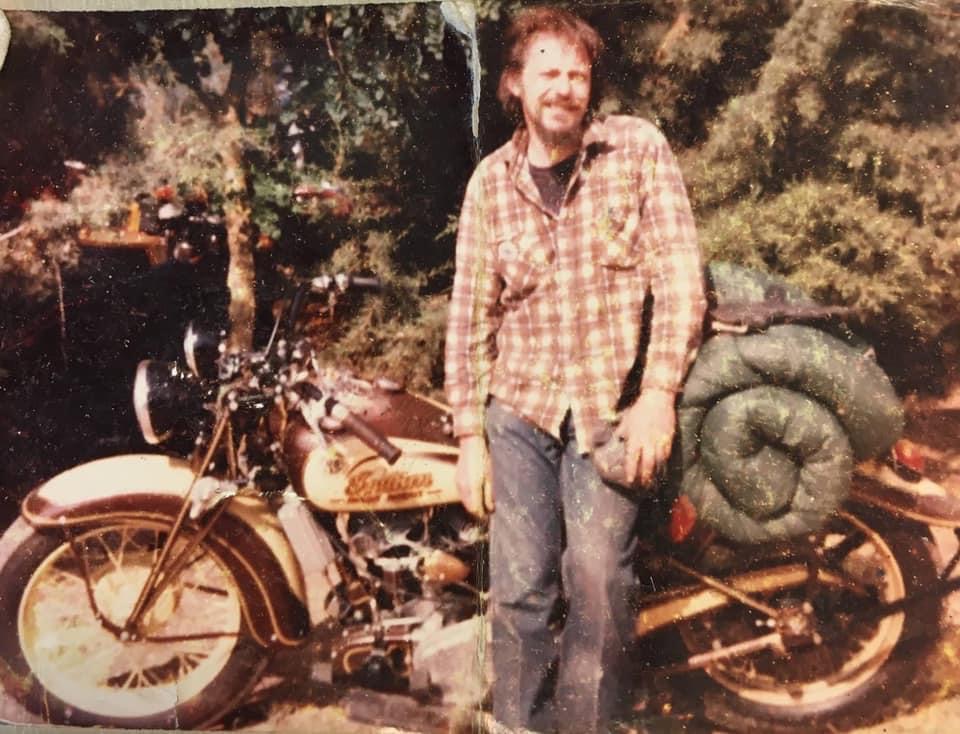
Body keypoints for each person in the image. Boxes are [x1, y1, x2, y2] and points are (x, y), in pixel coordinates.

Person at [444, 7, 706, 733]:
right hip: (520, 413)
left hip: (609, 412)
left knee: (597, 582)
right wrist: (469, 438)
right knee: (519, 590)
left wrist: (658, 394)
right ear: (514, 84)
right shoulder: (490, 185)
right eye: (548, 73)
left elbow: (680, 278)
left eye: (577, 74)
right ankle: (519, 725)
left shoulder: (637, 150)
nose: (563, 87)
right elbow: (469, 315)